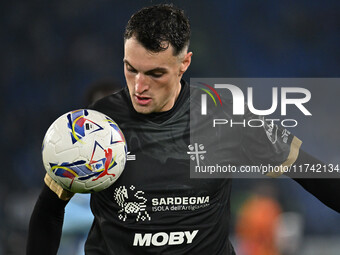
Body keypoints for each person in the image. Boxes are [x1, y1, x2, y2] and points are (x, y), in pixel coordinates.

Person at [27, 4, 340, 255]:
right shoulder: (94, 127)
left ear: (184, 63)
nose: (139, 86)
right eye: (130, 68)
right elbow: (49, 214)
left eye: (155, 73)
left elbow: (315, 175)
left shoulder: (226, 117)